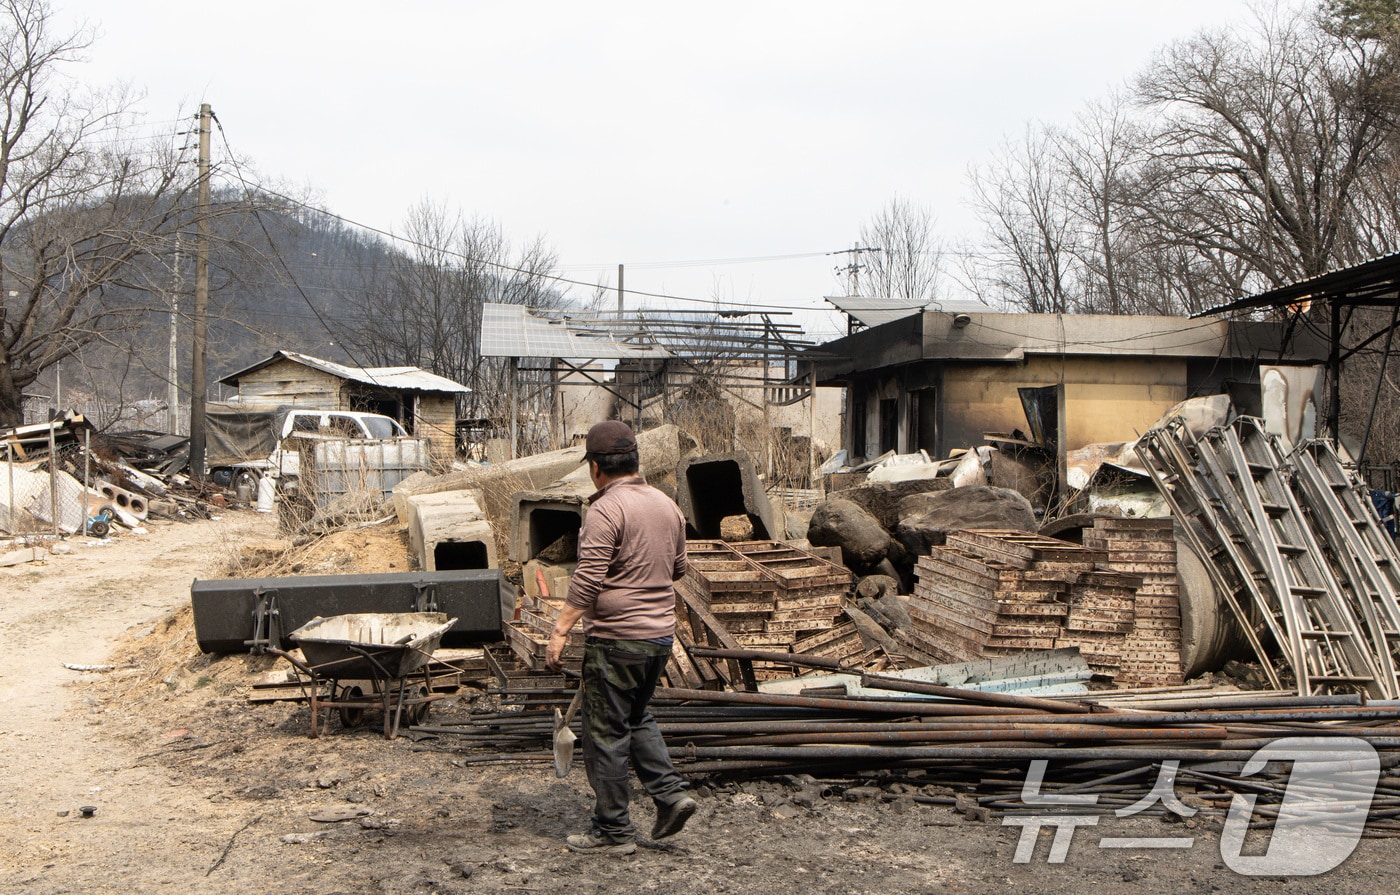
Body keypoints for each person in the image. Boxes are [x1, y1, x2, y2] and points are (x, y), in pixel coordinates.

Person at [546, 420, 697, 856]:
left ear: (595, 467)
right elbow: (679, 570)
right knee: (636, 716)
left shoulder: (605, 510)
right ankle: (670, 796)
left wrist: (559, 631)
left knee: (605, 734)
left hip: (616, 641)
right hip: (658, 639)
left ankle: (613, 832)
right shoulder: (667, 506)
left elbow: (588, 578)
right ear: (635, 460)